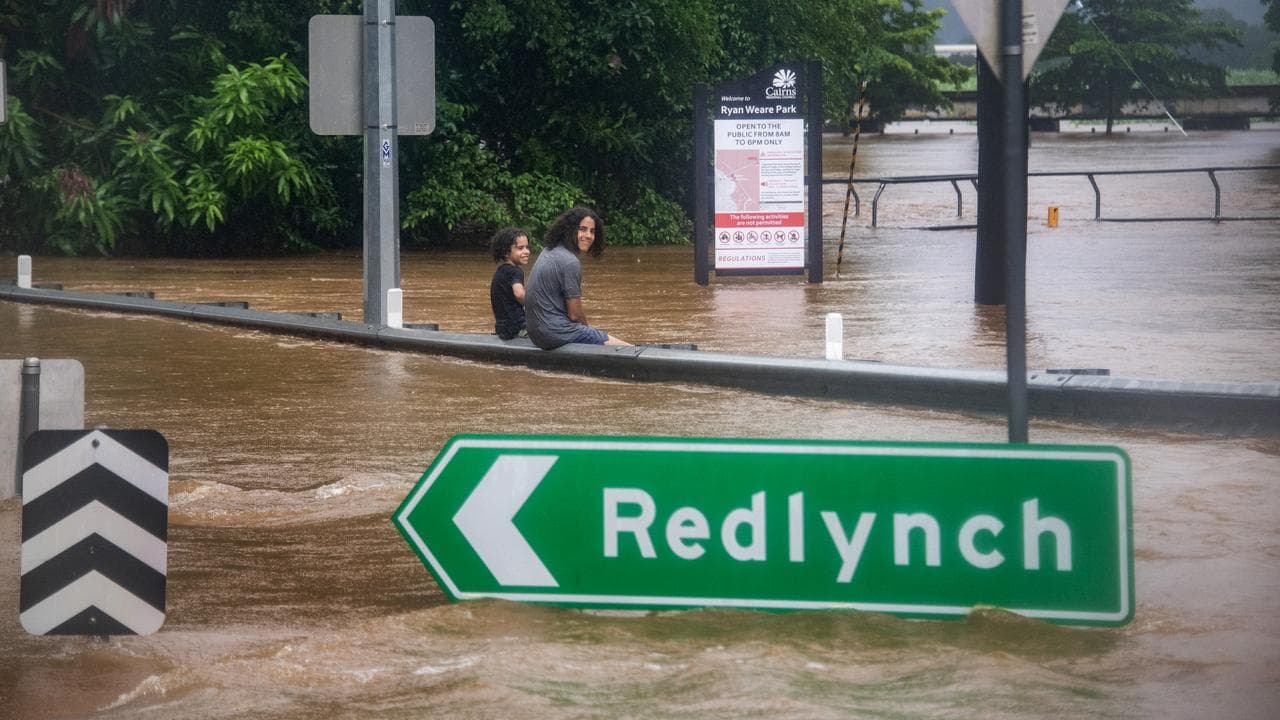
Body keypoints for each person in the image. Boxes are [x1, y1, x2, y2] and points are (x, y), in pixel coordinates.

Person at [525, 206, 631, 349]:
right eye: (582, 229)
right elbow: (575, 315)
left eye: (592, 232)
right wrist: (589, 332)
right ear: (569, 230)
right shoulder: (570, 261)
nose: (588, 236)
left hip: (536, 335)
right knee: (628, 348)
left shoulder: (548, 251)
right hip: (555, 334)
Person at [489, 227, 531, 340]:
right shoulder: (515, 271)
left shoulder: (500, 271)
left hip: (502, 328)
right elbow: (519, 294)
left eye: (527, 247)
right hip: (518, 327)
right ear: (506, 253)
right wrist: (536, 304)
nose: (526, 252)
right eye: (520, 248)